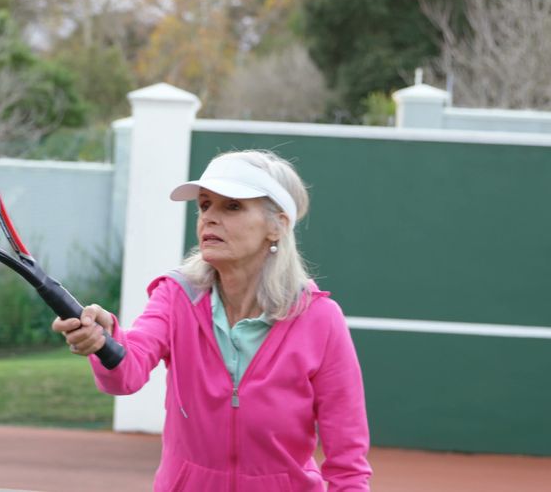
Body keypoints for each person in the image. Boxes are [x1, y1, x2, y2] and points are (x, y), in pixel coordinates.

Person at [53, 149, 372, 491]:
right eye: (205, 205)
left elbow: (347, 463)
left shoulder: (320, 319)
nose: (209, 218)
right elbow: (126, 374)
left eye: (232, 206)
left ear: (276, 226)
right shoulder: (176, 296)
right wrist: (104, 340)